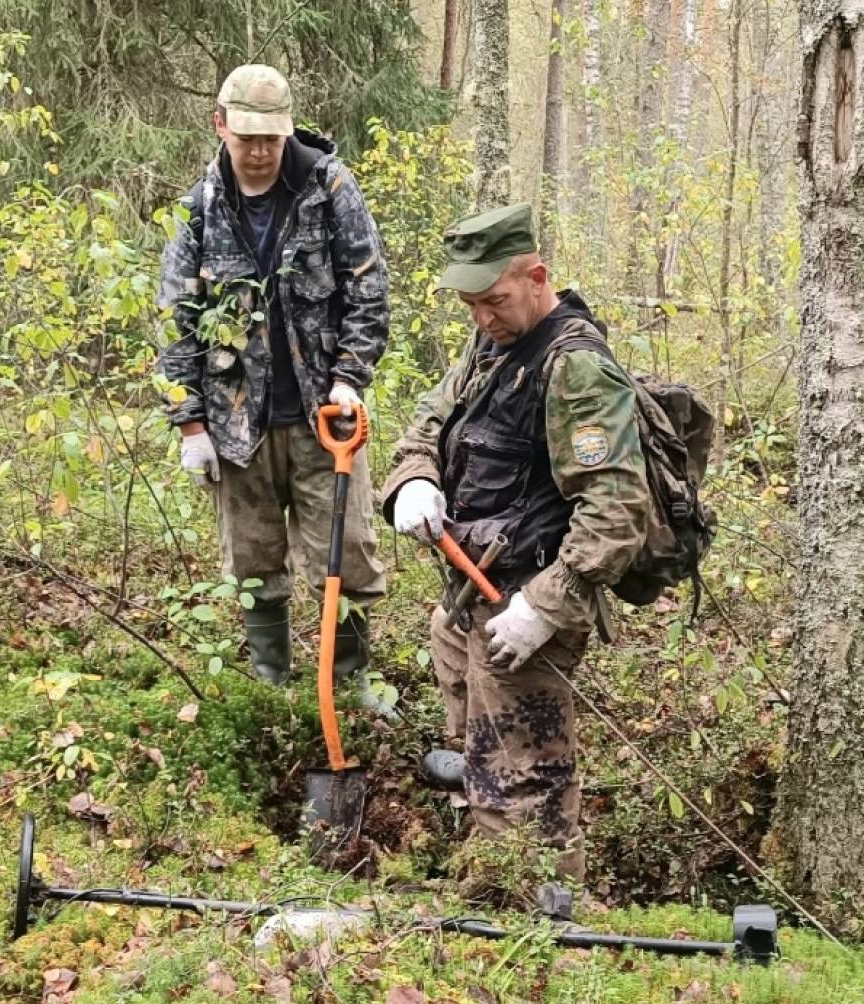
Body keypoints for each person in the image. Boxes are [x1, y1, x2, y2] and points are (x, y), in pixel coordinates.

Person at [380, 203, 651, 882]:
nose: (482, 318)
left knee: (526, 784)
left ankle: (542, 922)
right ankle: (488, 868)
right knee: (479, 743)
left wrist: (546, 607)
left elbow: (617, 508)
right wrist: (413, 481)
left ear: (537, 277)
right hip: (474, 589)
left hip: (529, 601)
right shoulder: (488, 346)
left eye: (495, 300)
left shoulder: (578, 369)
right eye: (470, 304)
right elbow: (424, 427)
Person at [156, 64, 389, 707]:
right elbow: (175, 318)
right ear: (221, 126)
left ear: (287, 132)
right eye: (246, 139)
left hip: (324, 417)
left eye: (271, 140)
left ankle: (349, 683)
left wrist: (350, 377)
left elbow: (368, 289)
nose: (259, 153)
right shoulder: (200, 206)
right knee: (254, 563)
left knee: (344, 553)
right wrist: (190, 424)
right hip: (235, 424)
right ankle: (273, 686)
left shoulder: (329, 187)